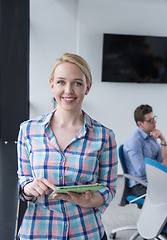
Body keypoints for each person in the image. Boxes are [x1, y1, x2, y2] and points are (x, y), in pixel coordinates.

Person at [17, 53, 117, 240]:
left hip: (85, 232)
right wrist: (29, 187)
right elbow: (23, 180)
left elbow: (109, 189)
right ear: (52, 85)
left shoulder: (104, 136)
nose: (68, 90)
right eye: (61, 82)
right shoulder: (28, 130)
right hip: (39, 232)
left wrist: (90, 200)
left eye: (77, 83)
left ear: (88, 87)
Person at [123, 104, 167, 197]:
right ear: (140, 124)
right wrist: (164, 165)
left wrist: (163, 140)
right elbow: (141, 171)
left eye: (154, 118)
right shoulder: (134, 141)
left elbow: (162, 158)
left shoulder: (151, 135)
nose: (154, 122)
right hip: (141, 184)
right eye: (150, 120)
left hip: (154, 179)